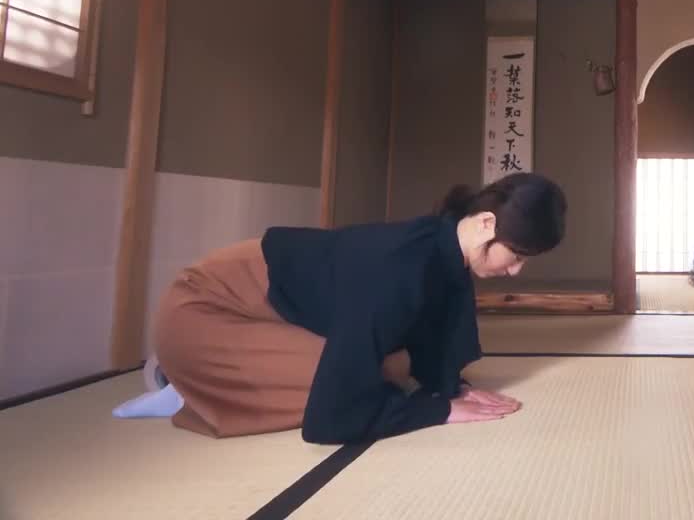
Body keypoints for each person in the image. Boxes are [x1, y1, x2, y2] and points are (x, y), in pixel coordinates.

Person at [148, 172, 567, 444]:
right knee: (359, 382)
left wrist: (449, 385)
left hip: (269, 311)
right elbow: (329, 418)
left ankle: (206, 380)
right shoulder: (400, 267)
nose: (516, 271)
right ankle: (179, 380)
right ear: (486, 224)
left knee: (385, 368)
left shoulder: (445, 246)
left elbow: (428, 338)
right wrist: (438, 409)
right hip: (204, 312)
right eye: (516, 255)